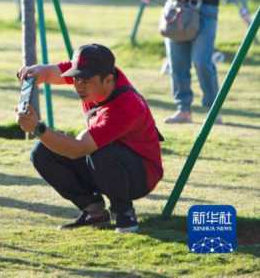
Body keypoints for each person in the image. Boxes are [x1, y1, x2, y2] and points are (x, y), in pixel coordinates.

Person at [17, 44, 163, 233]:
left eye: (85, 80)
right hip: (106, 161)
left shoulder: (126, 106)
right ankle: (94, 212)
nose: (78, 84)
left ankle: (124, 213)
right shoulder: (98, 74)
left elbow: (79, 148)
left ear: (108, 80)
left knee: (99, 150)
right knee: (42, 152)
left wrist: (37, 128)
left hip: (140, 174)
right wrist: (35, 73)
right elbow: (51, 72)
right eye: (76, 78)